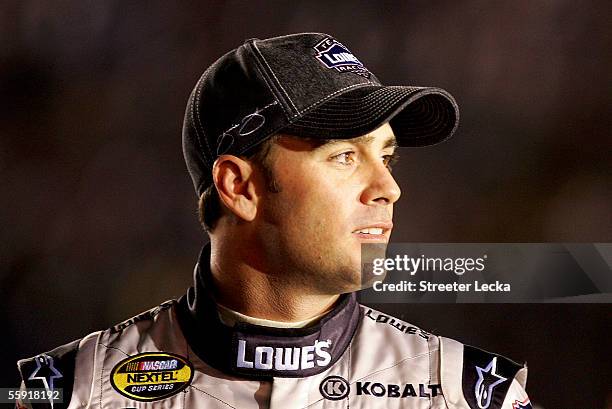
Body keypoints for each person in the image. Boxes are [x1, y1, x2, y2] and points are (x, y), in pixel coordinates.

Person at [16, 33, 531, 409]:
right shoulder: (63, 390)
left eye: (387, 157)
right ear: (239, 187)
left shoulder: (476, 392)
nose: (388, 189)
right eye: (344, 157)